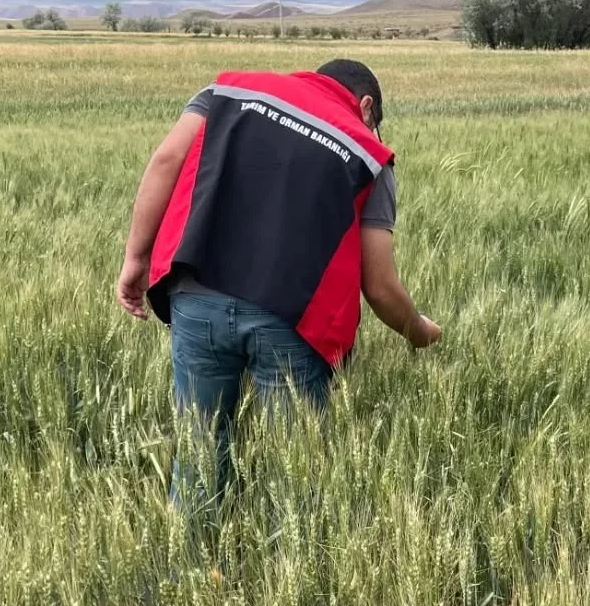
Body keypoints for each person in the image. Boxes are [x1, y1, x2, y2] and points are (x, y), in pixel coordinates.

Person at [114, 58, 440, 502]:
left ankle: (187, 564)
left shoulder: (225, 92)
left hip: (196, 295)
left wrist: (136, 258)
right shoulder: (368, 153)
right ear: (366, 106)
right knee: (293, 476)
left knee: (198, 452)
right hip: (292, 322)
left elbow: (166, 159)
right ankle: (286, 568)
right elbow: (379, 284)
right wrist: (418, 330)